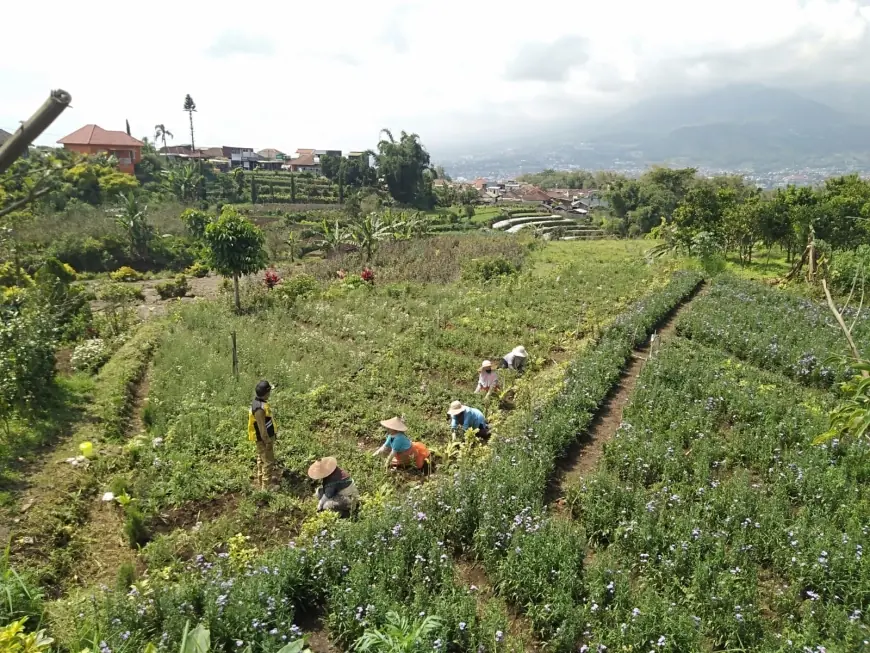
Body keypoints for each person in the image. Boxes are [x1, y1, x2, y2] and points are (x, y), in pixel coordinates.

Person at [247, 380, 279, 489]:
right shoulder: (259, 409)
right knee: (268, 461)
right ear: (266, 393)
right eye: (269, 392)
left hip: (263, 438)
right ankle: (267, 487)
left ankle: (261, 481)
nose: (270, 394)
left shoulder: (259, 402)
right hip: (263, 439)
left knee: (261, 459)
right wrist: (268, 441)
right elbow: (262, 429)